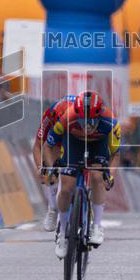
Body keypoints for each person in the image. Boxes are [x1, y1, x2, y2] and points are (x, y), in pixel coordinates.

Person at [43, 91, 120, 258]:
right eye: (82, 120)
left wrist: (110, 174)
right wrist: (51, 169)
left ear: (99, 116)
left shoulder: (111, 122)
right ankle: (63, 234)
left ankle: (97, 226)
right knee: (66, 187)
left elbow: (116, 155)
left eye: (91, 121)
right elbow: (48, 147)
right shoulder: (66, 118)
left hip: (98, 144)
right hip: (73, 142)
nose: (86, 126)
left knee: (97, 176)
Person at [36, 94, 77, 232]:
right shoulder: (49, 115)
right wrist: (41, 169)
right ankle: (52, 209)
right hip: (55, 144)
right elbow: (38, 146)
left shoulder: (81, 114)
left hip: (78, 137)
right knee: (50, 167)